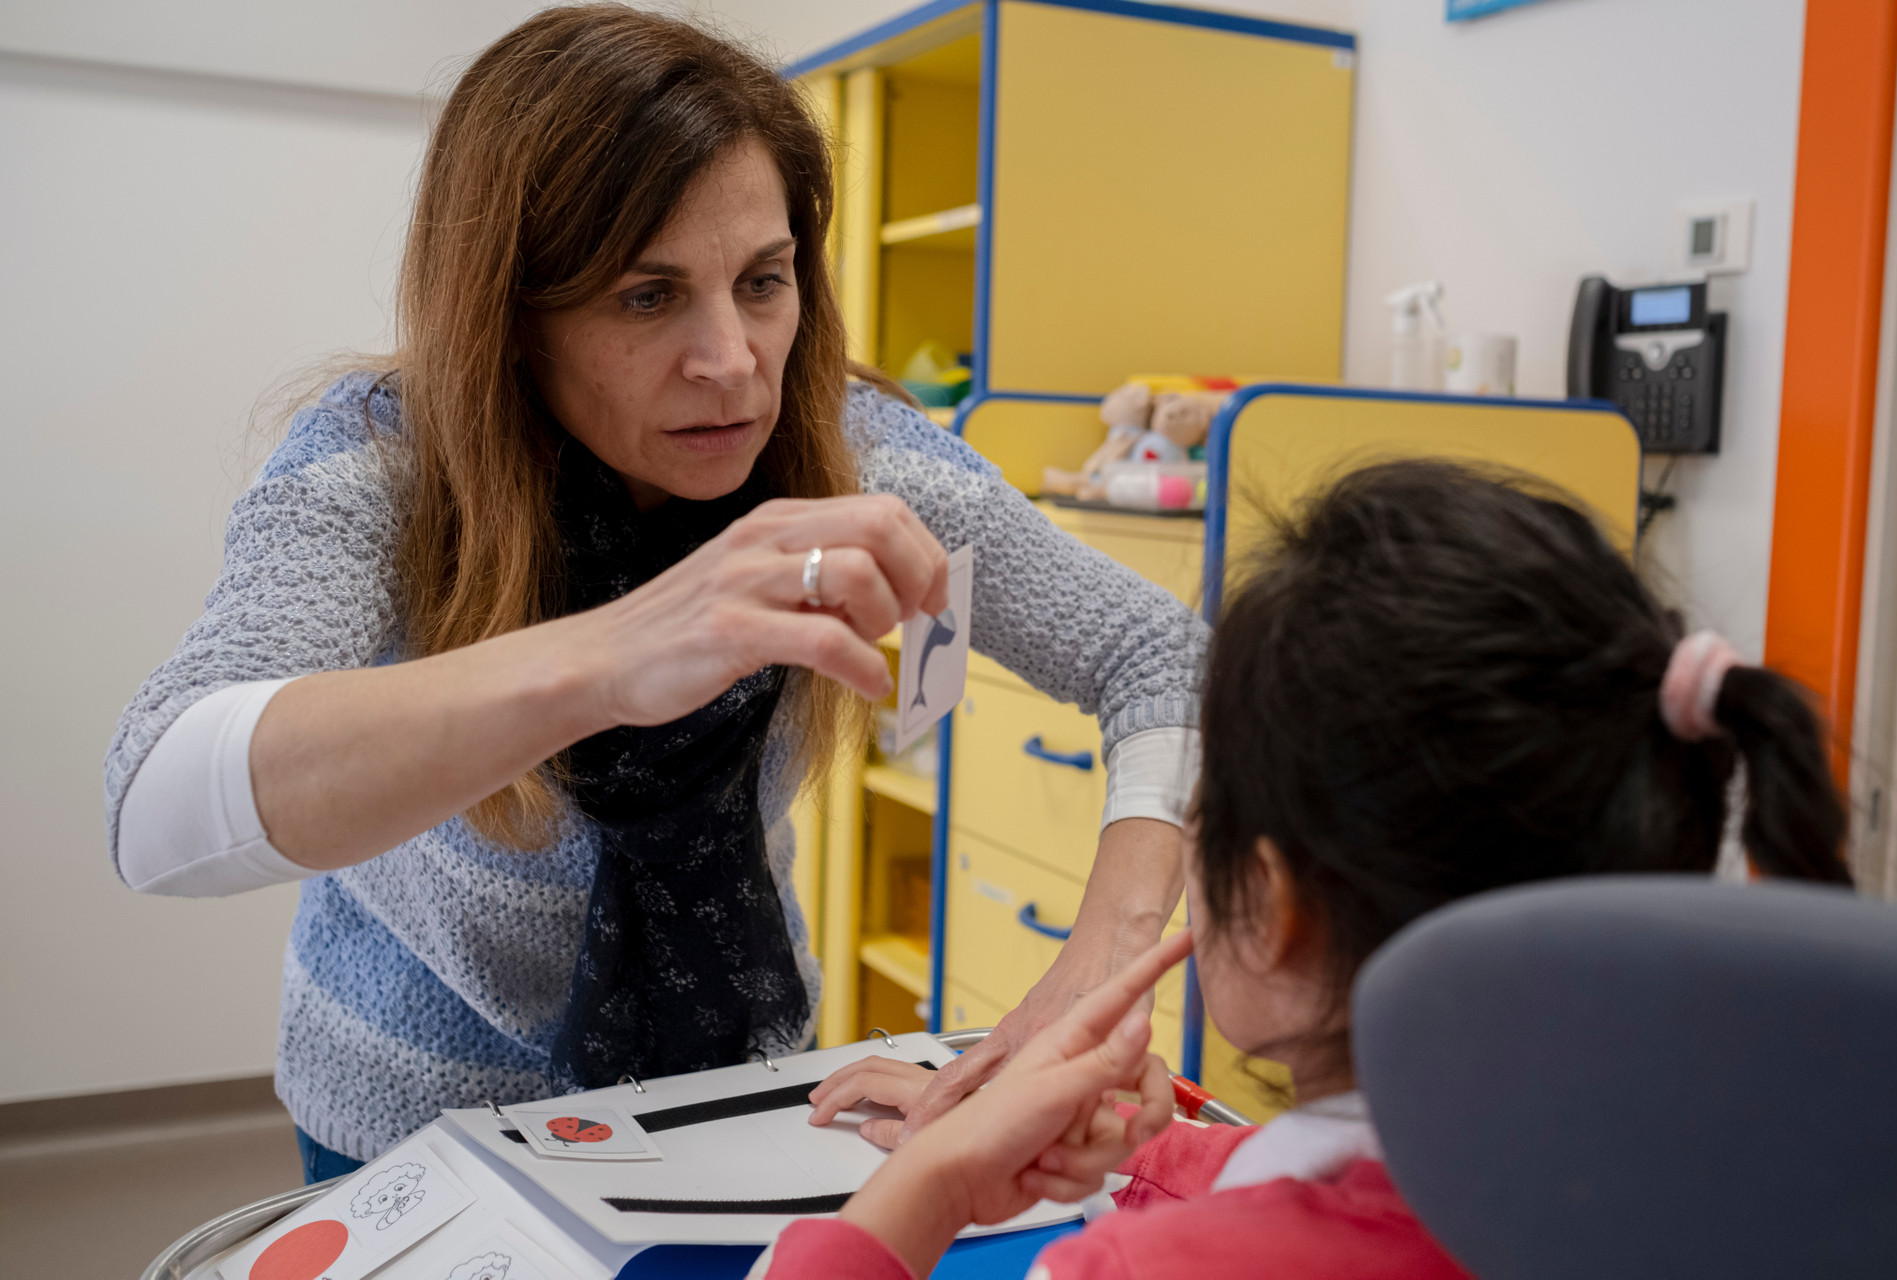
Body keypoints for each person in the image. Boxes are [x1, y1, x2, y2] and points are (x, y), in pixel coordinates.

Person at [103, 6, 1205, 1179]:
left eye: (764, 281)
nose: (731, 360)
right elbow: (156, 807)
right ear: (512, 314)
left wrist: (1097, 970)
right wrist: (608, 656)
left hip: (743, 1088)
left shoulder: (864, 457)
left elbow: (1161, 653)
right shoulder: (379, 464)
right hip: (407, 1124)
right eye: (646, 295)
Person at [778, 460, 1851, 1278]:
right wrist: (1160, 1154)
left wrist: (930, 1184)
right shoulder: (1753, 1191)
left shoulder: (1130, 1271)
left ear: (1275, 906)